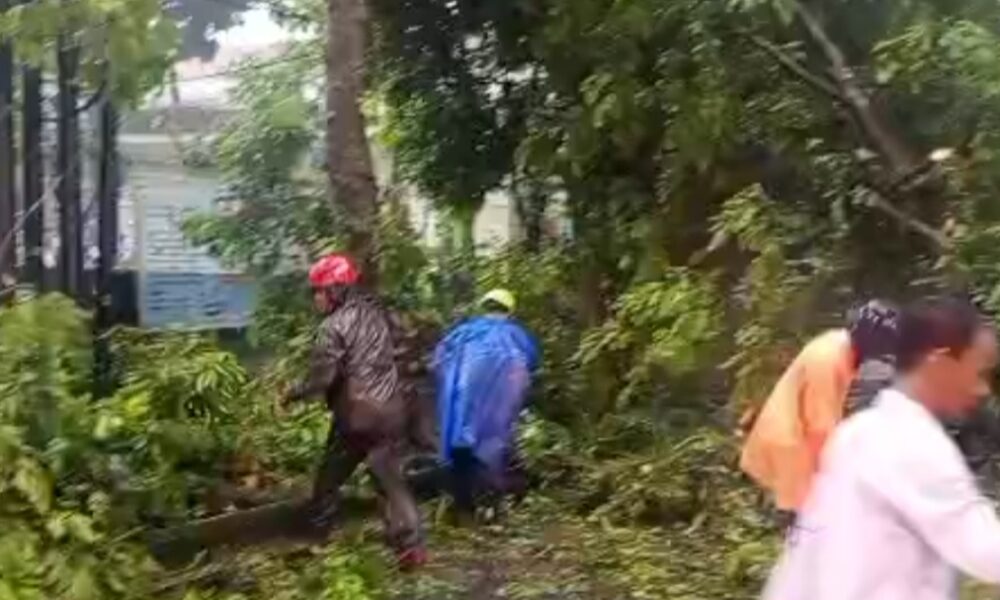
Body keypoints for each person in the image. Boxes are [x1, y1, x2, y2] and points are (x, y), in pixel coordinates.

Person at [762, 297, 1000, 600]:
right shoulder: (914, 444)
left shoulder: (856, 434)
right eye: (979, 373)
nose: (982, 390)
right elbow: (987, 551)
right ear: (939, 361)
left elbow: (802, 563)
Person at [283, 254, 426, 569]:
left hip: (356, 418)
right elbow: (407, 356)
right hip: (391, 413)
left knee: (328, 479)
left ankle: (317, 537)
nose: (315, 299)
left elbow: (322, 379)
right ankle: (410, 545)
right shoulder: (381, 315)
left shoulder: (333, 326)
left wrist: (290, 394)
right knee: (391, 480)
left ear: (336, 291)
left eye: (318, 292)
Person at [740, 300, 899, 514]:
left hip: (796, 441)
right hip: (792, 447)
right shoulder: (828, 361)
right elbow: (821, 431)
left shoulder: (841, 346)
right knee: (813, 528)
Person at [434, 289, 540, 523]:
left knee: (460, 448)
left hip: (461, 404)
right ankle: (492, 509)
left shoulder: (462, 332)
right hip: (498, 407)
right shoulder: (516, 335)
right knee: (493, 447)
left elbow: (439, 360)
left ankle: (462, 509)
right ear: (510, 311)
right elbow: (531, 363)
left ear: (485, 308)